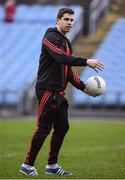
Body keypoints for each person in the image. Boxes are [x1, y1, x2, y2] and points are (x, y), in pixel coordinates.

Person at [19, 8, 104, 177]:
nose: (69, 22)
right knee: (43, 128)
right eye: (66, 19)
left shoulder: (65, 42)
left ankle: (52, 165)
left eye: (72, 20)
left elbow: (67, 69)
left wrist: (83, 87)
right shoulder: (50, 38)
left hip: (59, 91)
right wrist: (86, 61)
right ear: (58, 20)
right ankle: (27, 165)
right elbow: (60, 58)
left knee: (63, 127)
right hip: (46, 90)